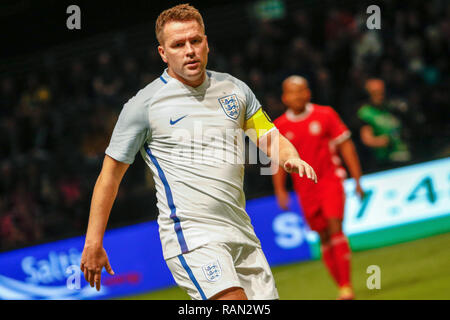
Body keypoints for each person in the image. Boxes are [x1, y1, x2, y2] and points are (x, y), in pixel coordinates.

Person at [80, 4, 317, 300]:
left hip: (241, 232)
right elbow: (109, 177)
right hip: (193, 237)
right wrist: (93, 241)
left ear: (207, 43)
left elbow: (269, 137)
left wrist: (290, 156)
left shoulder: (234, 89)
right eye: (178, 45)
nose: (189, 50)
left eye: (195, 41)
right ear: (163, 54)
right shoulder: (143, 106)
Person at [272, 75, 364, 300]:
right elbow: (277, 161)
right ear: (285, 97)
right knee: (322, 236)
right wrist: (280, 190)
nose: (297, 95)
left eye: (301, 90)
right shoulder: (280, 126)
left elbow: (346, 146)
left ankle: (346, 287)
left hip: (330, 180)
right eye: (292, 92)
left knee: (335, 226)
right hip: (305, 188)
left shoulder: (325, 115)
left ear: (308, 93)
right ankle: (341, 285)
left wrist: (357, 178)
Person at [357, 78, 411, 169]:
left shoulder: (390, 107)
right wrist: (384, 141)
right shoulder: (366, 112)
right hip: (386, 161)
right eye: (375, 92)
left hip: (404, 154)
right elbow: (367, 139)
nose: (380, 96)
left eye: (382, 92)